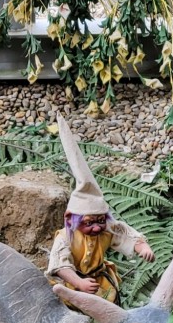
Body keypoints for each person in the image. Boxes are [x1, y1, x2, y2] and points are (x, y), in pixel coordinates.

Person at [46, 115, 154, 305]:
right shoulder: (65, 238)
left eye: (101, 221)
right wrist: (79, 282)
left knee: (108, 307)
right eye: (89, 223)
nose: (96, 227)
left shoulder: (108, 231)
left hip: (100, 281)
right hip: (72, 284)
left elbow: (125, 235)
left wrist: (142, 247)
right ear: (70, 219)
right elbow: (60, 265)